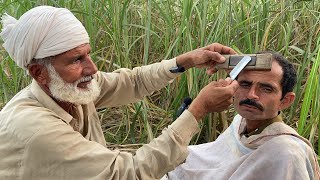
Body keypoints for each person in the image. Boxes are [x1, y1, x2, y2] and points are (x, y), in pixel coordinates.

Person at [0, 6, 239, 180]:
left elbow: (132, 82)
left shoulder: (69, 89)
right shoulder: (37, 130)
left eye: (88, 54)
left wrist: (186, 61)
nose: (92, 68)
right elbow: (129, 173)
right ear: (38, 72)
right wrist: (198, 110)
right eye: (76, 59)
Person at [165, 52, 320, 180]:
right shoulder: (240, 123)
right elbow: (213, 161)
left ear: (285, 101)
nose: (252, 95)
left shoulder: (287, 153)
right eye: (245, 84)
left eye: (266, 89)